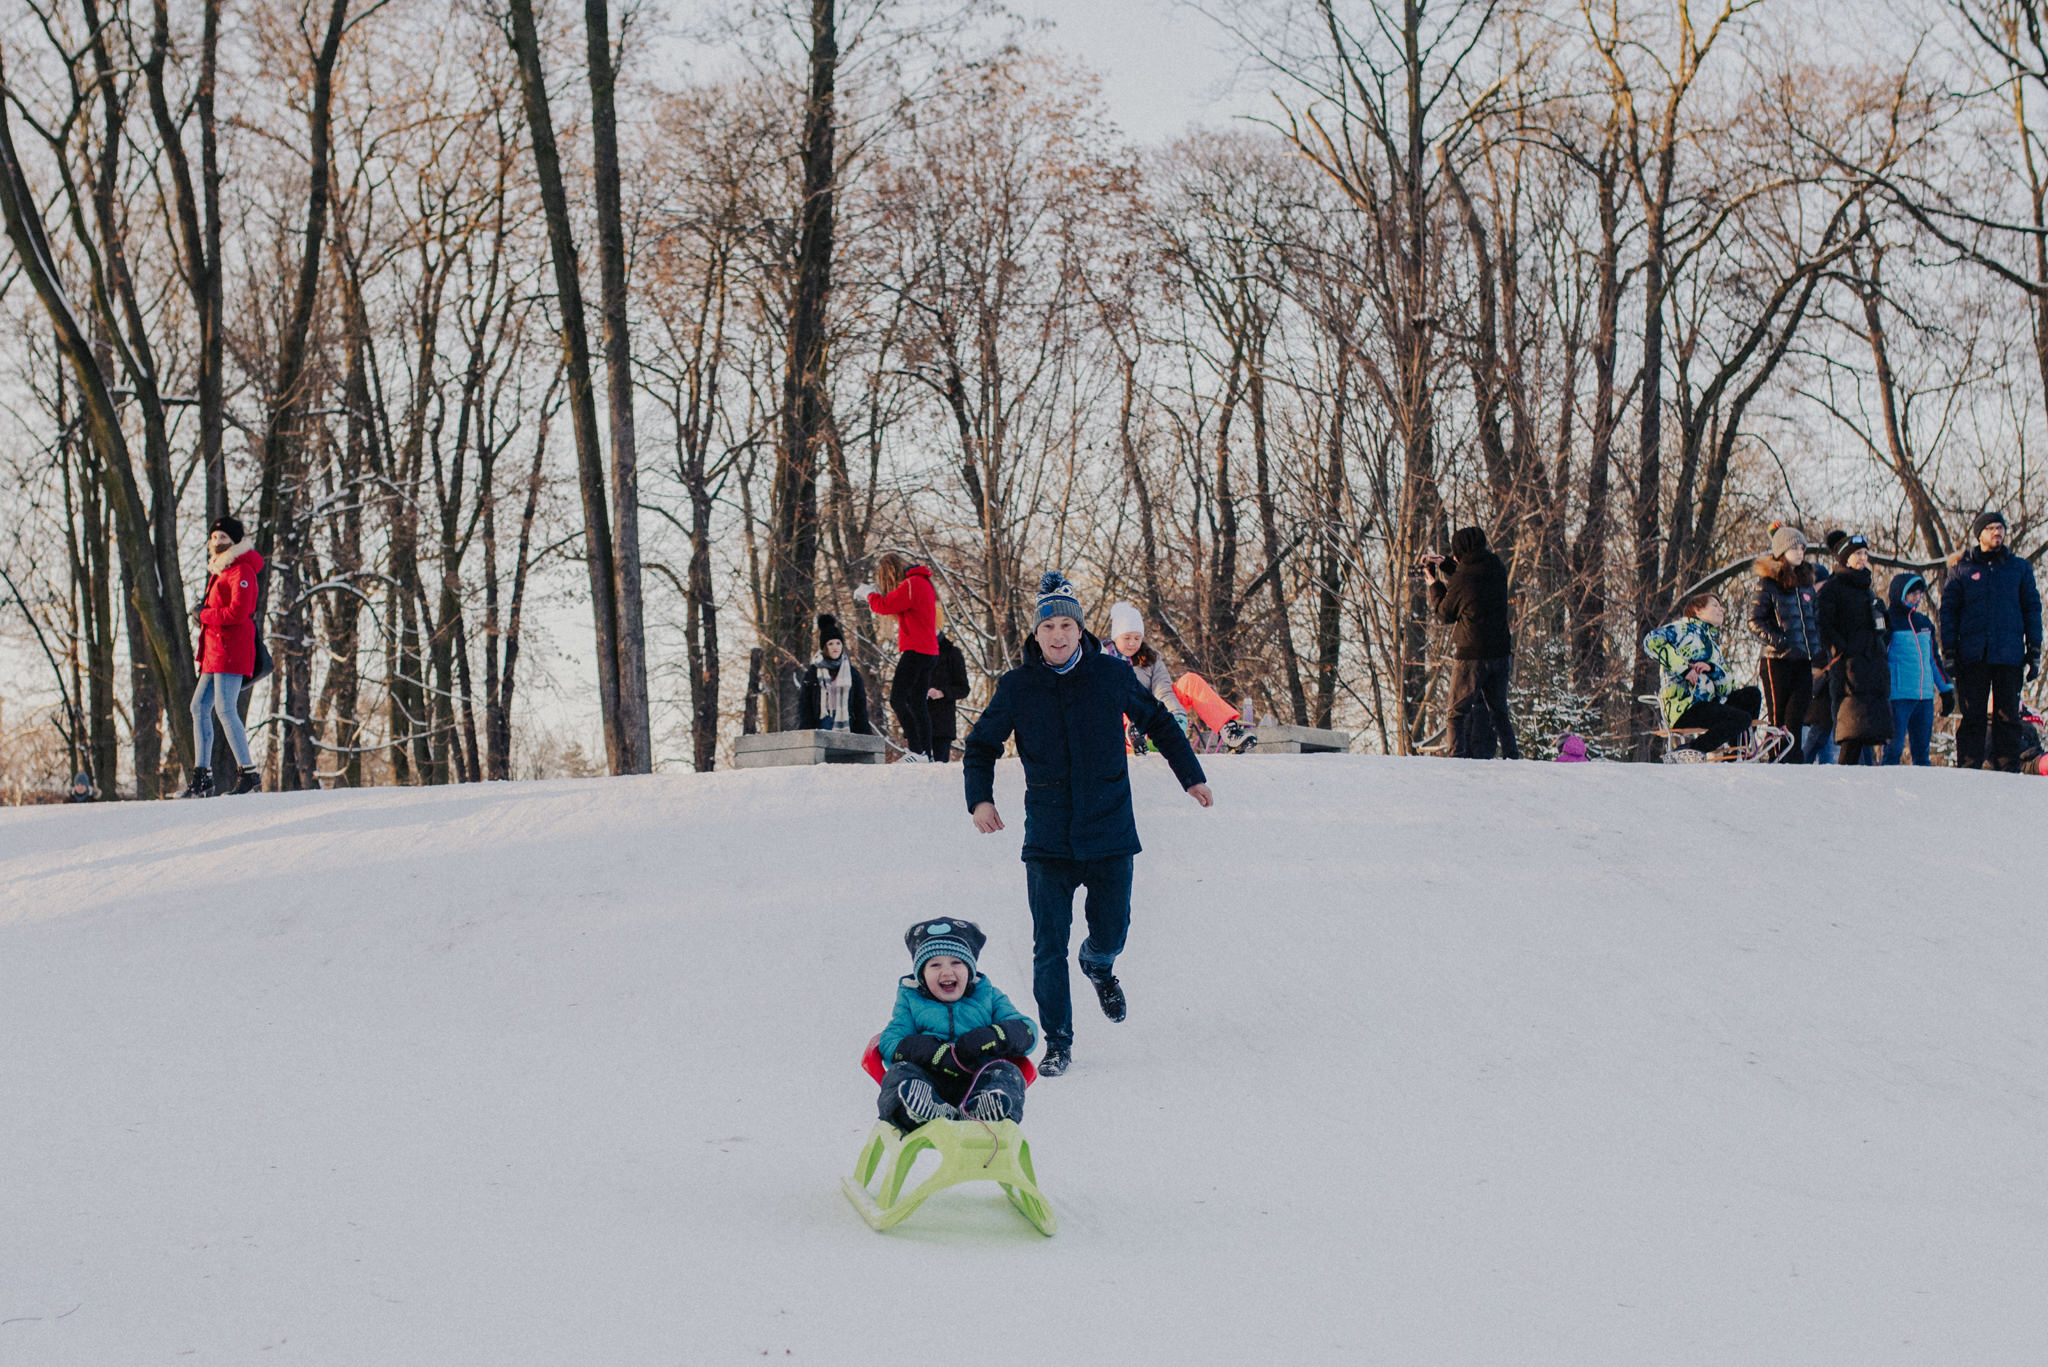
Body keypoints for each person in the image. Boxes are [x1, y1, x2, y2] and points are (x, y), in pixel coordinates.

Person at [963, 571, 1213, 1077]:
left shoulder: (1111, 675)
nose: (1058, 635)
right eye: (1048, 626)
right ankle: (1058, 1042)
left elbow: (1160, 723)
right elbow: (981, 744)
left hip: (1109, 831)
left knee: (1112, 929)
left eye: (1066, 626)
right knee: (1048, 945)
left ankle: (1099, 962)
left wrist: (1191, 777)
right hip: (1049, 839)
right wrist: (980, 801)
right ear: (1037, 634)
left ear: (1082, 632)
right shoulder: (1018, 687)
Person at [876, 918, 1038, 1129]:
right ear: (922, 975)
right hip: (929, 1085)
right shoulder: (911, 1000)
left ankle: (983, 1109)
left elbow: (1027, 1030)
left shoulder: (988, 996)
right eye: (935, 965)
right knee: (899, 1074)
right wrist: (928, 1051)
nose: (947, 972)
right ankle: (923, 1111)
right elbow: (889, 1042)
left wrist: (995, 1035)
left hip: (979, 1080)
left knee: (1007, 1072)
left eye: (956, 962)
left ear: (969, 970)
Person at [1938, 510, 2043, 772]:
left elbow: (2032, 608)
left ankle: (2008, 771)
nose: (1998, 532)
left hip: (2009, 655)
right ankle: (1968, 769)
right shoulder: (1962, 570)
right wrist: (1949, 651)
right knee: (1973, 716)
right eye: (1991, 528)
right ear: (1979, 535)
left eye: (2001, 528)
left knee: (2008, 717)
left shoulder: (2019, 568)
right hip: (1972, 656)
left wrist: (2034, 649)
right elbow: (1948, 612)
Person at [182, 516, 264, 798]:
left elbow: (238, 613)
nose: (218, 542)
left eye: (224, 538)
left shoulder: (242, 570)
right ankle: (202, 776)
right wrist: (202, 614)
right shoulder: (220, 572)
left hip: (231, 651)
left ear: (235, 541)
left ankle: (249, 773)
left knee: (226, 709)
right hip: (214, 652)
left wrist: (203, 614)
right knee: (198, 707)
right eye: (215, 538)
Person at [1103, 601, 1252, 753]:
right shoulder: (1102, 660)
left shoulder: (1151, 658)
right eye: (1127, 638)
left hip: (1156, 719)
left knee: (1190, 681)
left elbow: (1163, 690)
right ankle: (1135, 733)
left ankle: (1228, 731)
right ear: (1115, 636)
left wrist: (1175, 714)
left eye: (1137, 638)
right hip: (1118, 728)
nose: (1132, 643)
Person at [1425, 526, 1521, 760]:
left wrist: (1433, 583)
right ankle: (1512, 757)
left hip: (1472, 655)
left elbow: (1445, 613)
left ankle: (1456, 759)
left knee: (1456, 713)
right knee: (1499, 712)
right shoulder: (1496, 566)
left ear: (1460, 552)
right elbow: (1470, 576)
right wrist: (1446, 563)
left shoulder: (1464, 577)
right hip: (1500, 651)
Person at [1643, 591, 1763, 759]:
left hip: (1709, 705)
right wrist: (1684, 669)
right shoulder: (1680, 629)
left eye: (1721, 606)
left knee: (1751, 695)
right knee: (1741, 718)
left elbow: (1728, 688)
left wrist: (1712, 669)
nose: (1721, 610)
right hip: (1686, 707)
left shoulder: (1712, 645)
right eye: (1714, 605)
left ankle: (1737, 752)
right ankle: (1692, 748)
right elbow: (1650, 641)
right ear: (1698, 611)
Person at [1814, 533, 1894, 766]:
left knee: (1868, 726)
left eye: (1865, 554)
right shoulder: (1833, 587)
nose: (1863, 558)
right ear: (1845, 558)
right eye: (1858, 554)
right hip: (1849, 664)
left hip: (1871, 661)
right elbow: (1823, 623)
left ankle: (1863, 772)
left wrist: (1881, 618)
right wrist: (1841, 649)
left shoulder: (1866, 589)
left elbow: (1880, 627)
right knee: (1852, 723)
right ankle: (1845, 770)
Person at [853, 553, 942, 762]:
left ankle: (916, 750)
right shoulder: (923, 583)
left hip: (916, 650)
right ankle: (925, 754)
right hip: (929, 651)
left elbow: (885, 606)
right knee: (918, 703)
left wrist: (868, 594)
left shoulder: (912, 584)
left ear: (891, 572)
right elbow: (898, 608)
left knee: (898, 699)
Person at [1747, 524, 1821, 762]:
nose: (1800, 552)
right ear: (1781, 551)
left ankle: (1794, 760)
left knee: (1797, 715)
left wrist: (1816, 647)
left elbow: (1814, 619)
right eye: (1795, 547)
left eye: (1802, 547)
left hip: (1803, 659)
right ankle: (1779, 761)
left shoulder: (1806, 583)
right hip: (1776, 660)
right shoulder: (1768, 583)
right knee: (1779, 718)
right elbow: (1754, 621)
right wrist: (1780, 642)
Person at [1883, 573, 1953, 766]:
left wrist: (1946, 689)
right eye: (1911, 593)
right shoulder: (1889, 621)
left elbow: (1933, 660)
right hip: (1898, 697)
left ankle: (1922, 790)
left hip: (1924, 698)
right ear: (1900, 593)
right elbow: (1880, 658)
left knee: (1922, 752)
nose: (1916, 597)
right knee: (1894, 749)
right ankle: (1884, 789)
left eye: (1919, 593)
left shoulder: (1924, 623)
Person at [796, 614, 873, 735]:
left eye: (838, 643)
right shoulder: (813, 671)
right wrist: (806, 731)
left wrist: (865, 732)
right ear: (824, 647)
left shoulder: (852, 673)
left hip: (847, 724)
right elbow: (805, 704)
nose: (835, 647)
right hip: (821, 723)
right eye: (830, 644)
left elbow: (859, 706)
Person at [926, 631, 971, 763]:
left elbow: (963, 689)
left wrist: (942, 692)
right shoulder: (915, 652)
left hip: (942, 723)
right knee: (916, 769)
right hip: (919, 722)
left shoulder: (952, 653)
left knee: (940, 768)